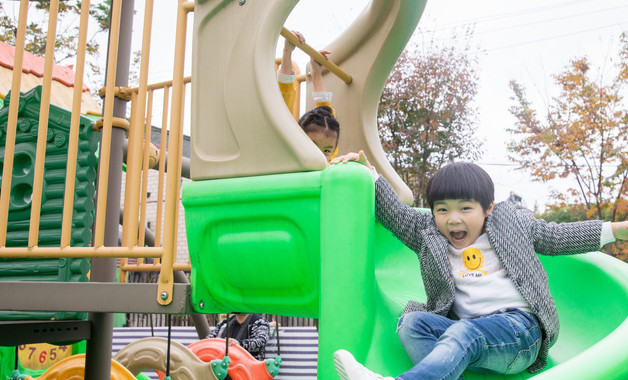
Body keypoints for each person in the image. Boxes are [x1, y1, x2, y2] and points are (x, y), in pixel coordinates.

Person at [329, 151, 628, 380]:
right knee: (412, 323)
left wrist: (615, 230)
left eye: (465, 208)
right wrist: (367, 173)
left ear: (488, 209)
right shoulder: (429, 232)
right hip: (470, 333)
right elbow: (395, 214)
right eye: (442, 209)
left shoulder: (511, 223)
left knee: (464, 333)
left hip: (520, 334)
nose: (453, 219)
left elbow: (556, 236)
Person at [278, 31, 340, 162]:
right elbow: (284, 102)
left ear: (334, 149)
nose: (320, 155)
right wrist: (287, 52)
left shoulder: (328, 162)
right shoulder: (292, 157)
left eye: (327, 151)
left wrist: (316, 73)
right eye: (313, 146)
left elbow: (327, 112)